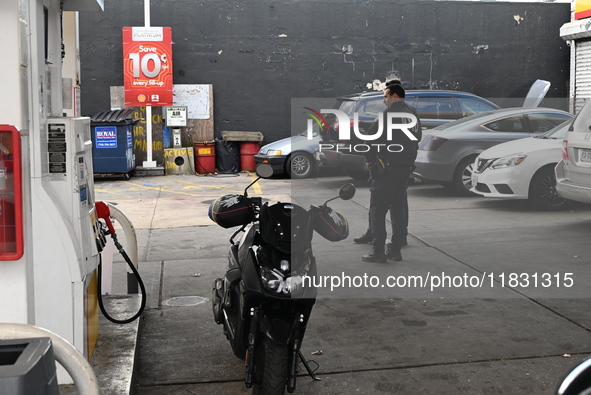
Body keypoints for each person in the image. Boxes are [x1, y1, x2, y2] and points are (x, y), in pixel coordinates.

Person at [361, 83, 421, 263]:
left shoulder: (387, 115)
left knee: (377, 210)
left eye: (385, 96)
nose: (383, 100)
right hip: (405, 168)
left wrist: (370, 160)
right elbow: (417, 138)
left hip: (387, 169)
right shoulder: (412, 113)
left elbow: (370, 139)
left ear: (395, 96)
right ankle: (395, 248)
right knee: (398, 207)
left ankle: (377, 251)